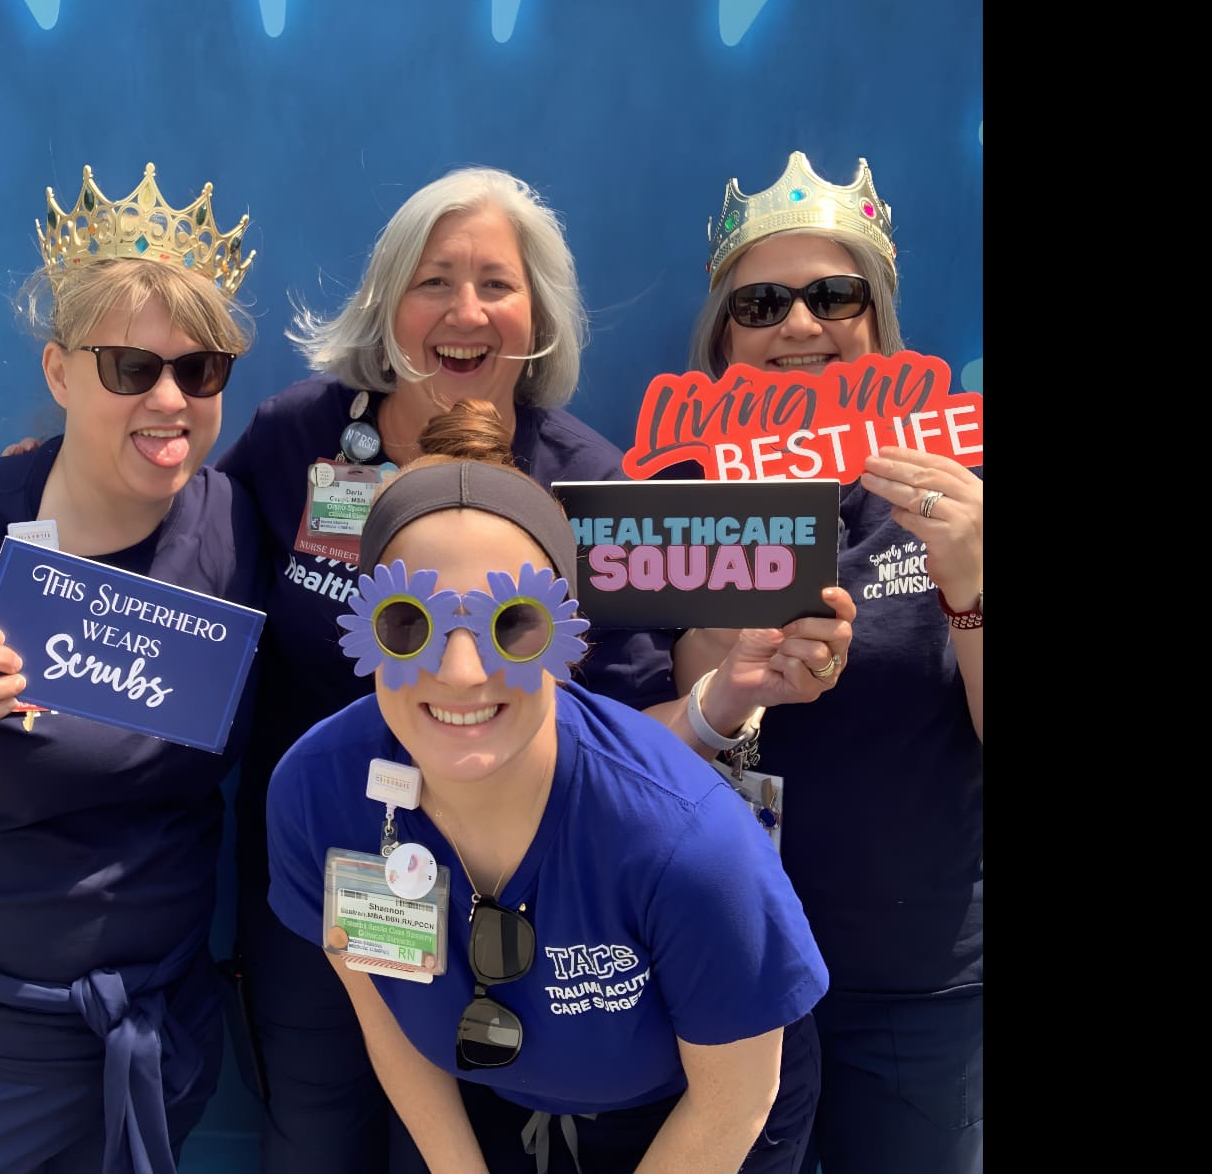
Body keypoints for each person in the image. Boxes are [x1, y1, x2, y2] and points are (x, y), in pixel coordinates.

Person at [213, 166, 854, 1174]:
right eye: (434, 280)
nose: (464, 310)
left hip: (538, 910)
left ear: (537, 316)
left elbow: (629, 726)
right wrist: (63, 496)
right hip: (345, 854)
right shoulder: (297, 436)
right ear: (388, 303)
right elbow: (198, 546)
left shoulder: (597, 484)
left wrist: (727, 695)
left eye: (495, 283)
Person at [0, 162, 273, 1173]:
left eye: (199, 371)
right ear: (59, 373)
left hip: (148, 1042)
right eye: (128, 368)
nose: (168, 399)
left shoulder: (233, 529)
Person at [265, 398, 830, 1174]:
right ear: (363, 630)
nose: (461, 674)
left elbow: (734, 1094)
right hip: (505, 1099)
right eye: (409, 623)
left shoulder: (688, 843)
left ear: (568, 641)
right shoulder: (317, 795)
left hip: (699, 1111)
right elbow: (386, 1009)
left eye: (512, 624)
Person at [676, 150, 983, 1174]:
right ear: (723, 338)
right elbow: (628, 746)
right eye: (761, 303)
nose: (799, 328)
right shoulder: (664, 496)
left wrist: (970, 583)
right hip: (716, 974)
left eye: (832, 295)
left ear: (878, 315)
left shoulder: (960, 489)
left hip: (912, 984)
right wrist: (728, 667)